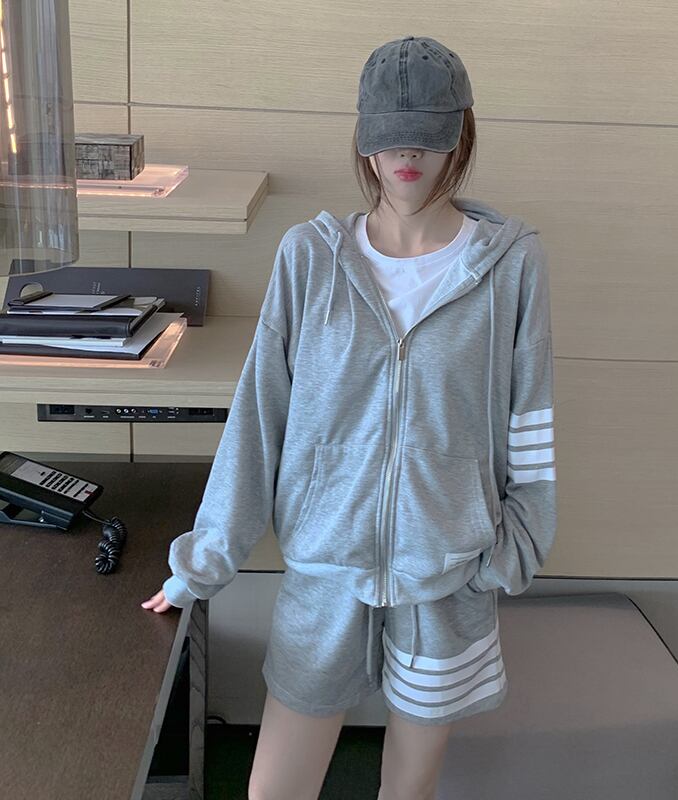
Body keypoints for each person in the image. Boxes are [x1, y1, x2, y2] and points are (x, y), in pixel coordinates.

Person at [141, 35, 556, 800]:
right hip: (323, 574)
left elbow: (529, 420)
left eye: (426, 134)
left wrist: (511, 553)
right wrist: (201, 566)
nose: (407, 154)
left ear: (461, 134)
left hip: (448, 580)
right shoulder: (310, 258)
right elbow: (259, 418)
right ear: (364, 139)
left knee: (409, 789)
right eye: (390, 134)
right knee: (274, 791)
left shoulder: (510, 265)